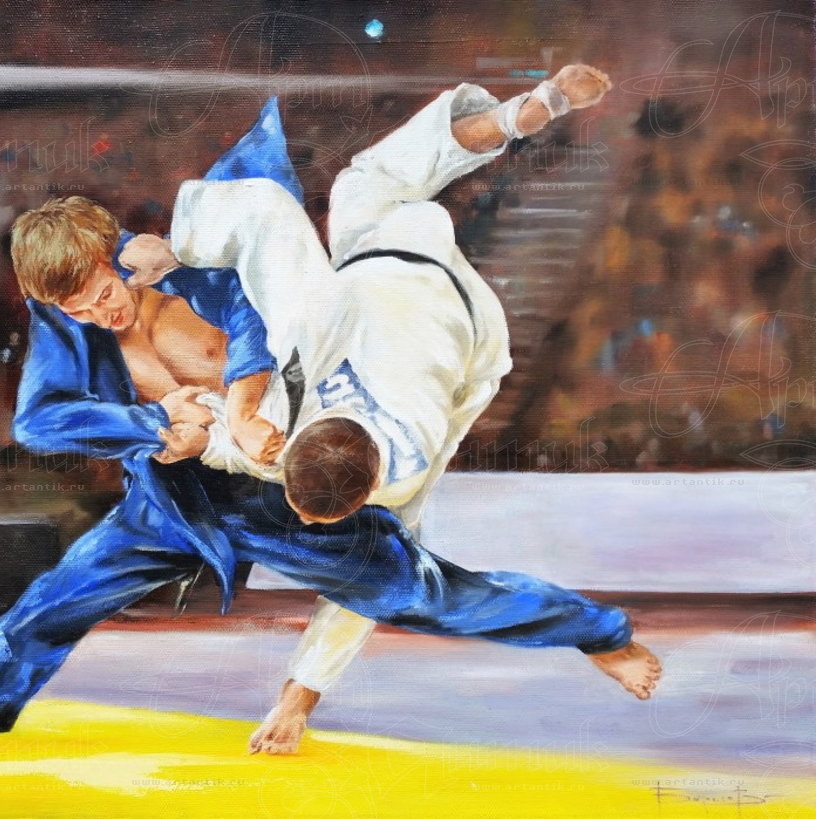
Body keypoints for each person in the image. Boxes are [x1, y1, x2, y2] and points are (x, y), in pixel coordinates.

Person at [0, 76, 652, 746]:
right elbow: (40, 419)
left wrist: (236, 405)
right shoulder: (67, 321)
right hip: (179, 487)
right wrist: (153, 426)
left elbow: (254, 311)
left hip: (284, 467)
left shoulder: (202, 268)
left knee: (423, 593)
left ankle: (599, 632)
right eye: (76, 309)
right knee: (66, 589)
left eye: (100, 292)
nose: (98, 314)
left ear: (114, 254)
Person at [119, 65, 661, 752]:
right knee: (359, 188)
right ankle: (522, 112)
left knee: (381, 570)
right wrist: (177, 252)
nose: (302, 521)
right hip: (390, 271)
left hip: (463, 344)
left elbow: (346, 557)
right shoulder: (308, 370)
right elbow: (261, 213)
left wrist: (209, 438)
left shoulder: (393, 475)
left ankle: (524, 111)